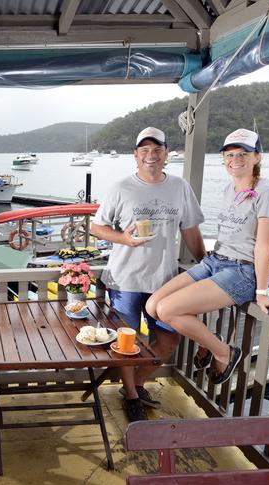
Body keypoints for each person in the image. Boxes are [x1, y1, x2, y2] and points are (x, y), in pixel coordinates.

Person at [146, 128, 269, 387]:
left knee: (168, 310)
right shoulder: (229, 188)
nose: (235, 160)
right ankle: (206, 341)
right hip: (215, 261)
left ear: (257, 157)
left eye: (243, 154)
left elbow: (265, 247)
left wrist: (263, 292)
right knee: (153, 306)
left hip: (241, 271)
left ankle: (224, 351)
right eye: (229, 154)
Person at [90, 127, 206, 422]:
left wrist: (206, 264)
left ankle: (137, 383)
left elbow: (190, 229)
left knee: (169, 341)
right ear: (135, 155)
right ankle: (131, 396)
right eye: (144, 150)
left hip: (165, 282)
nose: (151, 156)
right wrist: (124, 239)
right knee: (125, 343)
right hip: (125, 280)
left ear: (167, 153)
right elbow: (97, 227)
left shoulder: (180, 187)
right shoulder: (121, 188)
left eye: (156, 150)